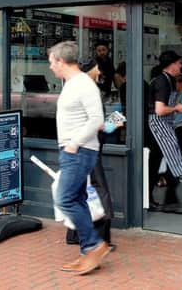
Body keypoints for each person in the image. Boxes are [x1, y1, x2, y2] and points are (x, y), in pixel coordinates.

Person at [48, 41, 111, 275]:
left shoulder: (84, 85)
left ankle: (95, 245)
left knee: (64, 199)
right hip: (74, 149)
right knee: (78, 198)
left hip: (79, 150)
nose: (51, 67)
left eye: (52, 62)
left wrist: (74, 145)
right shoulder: (73, 83)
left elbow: (96, 120)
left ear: (62, 61)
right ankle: (88, 252)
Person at [65, 57, 117, 249]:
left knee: (79, 190)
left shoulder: (74, 88)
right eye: (96, 69)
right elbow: (94, 123)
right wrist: (112, 124)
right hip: (88, 148)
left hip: (78, 147)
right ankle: (102, 239)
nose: (99, 72)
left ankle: (73, 234)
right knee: (100, 190)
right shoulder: (89, 90)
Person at [147, 50, 182, 214]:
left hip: (163, 125)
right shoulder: (163, 82)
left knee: (155, 163)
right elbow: (159, 110)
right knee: (175, 160)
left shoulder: (167, 80)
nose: (181, 65)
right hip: (159, 124)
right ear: (172, 64)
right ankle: (168, 200)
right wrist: (176, 108)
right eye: (179, 62)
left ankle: (155, 199)